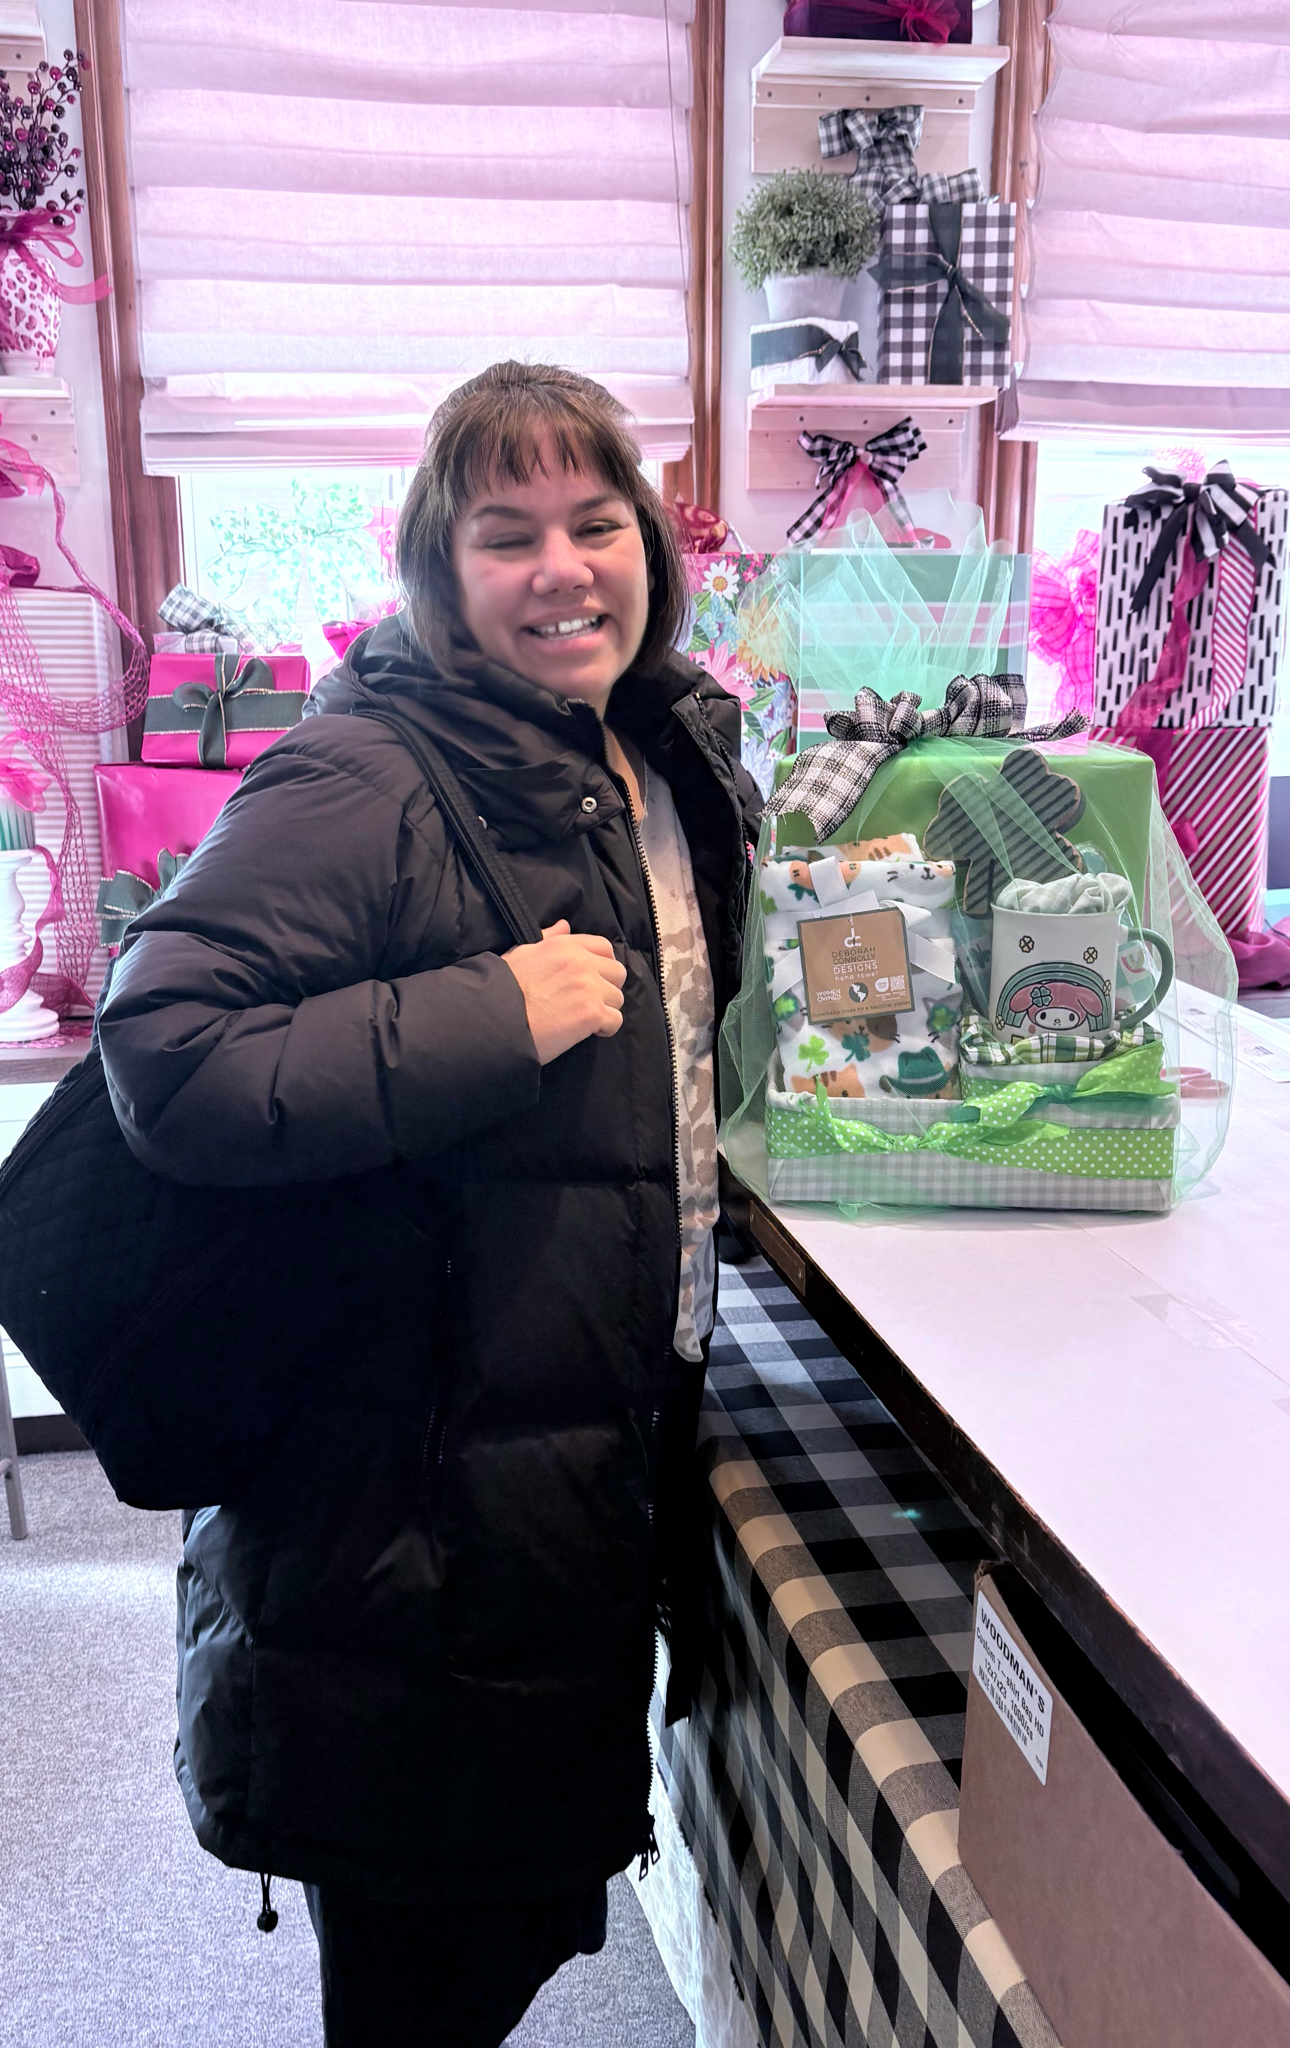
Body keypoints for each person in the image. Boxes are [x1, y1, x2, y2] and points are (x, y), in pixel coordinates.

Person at [98, 361, 762, 2046]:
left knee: (520, 1901)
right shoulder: (369, 771)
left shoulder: (659, 753)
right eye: (507, 533)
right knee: (418, 1953)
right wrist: (494, 1012)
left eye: (595, 522)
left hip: (574, 1432)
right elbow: (165, 1045)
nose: (564, 567)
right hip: (404, 1486)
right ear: (435, 568)